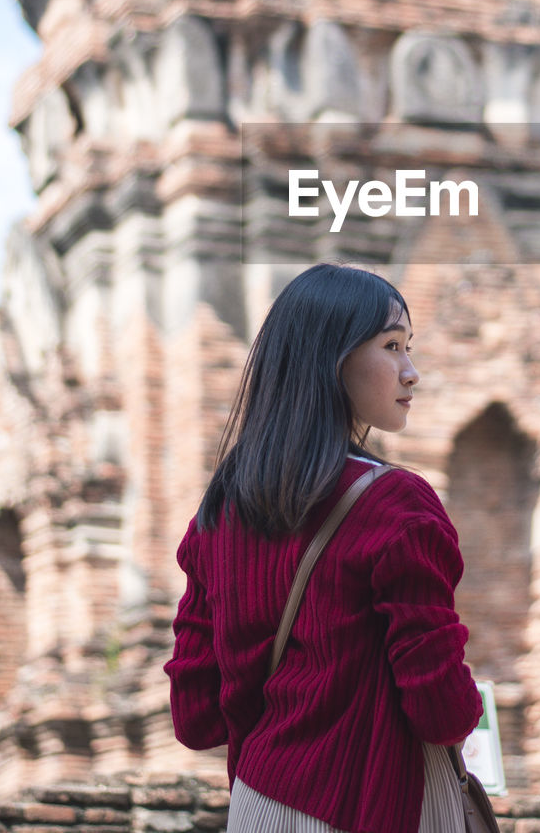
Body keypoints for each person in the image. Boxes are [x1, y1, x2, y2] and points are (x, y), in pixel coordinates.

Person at [165, 262, 483, 833]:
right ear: (331, 359)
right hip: (375, 806)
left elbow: (196, 720)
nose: (412, 373)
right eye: (392, 346)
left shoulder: (213, 521)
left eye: (409, 349)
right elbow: (443, 712)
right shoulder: (396, 505)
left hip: (258, 810)